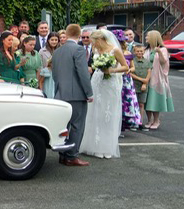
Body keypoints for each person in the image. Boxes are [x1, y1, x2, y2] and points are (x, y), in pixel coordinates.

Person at [80, 29, 128, 159]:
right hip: (96, 82)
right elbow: (95, 66)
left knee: (107, 114)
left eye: (94, 42)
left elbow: (125, 67)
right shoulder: (96, 51)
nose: (93, 45)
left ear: (101, 40)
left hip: (109, 83)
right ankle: (93, 146)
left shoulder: (115, 50)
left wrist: (111, 70)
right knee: (95, 113)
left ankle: (106, 147)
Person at [52, 24, 94, 166]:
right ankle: (71, 156)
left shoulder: (57, 51)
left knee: (64, 126)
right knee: (77, 126)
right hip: (76, 95)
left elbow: (55, 74)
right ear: (79, 34)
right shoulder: (78, 49)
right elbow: (83, 73)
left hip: (60, 93)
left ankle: (63, 154)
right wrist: (89, 92)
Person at [144, 30, 174, 130]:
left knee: (154, 100)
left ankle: (156, 120)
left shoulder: (163, 49)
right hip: (146, 78)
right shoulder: (146, 50)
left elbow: (163, 62)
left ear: (153, 37)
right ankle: (149, 120)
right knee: (146, 101)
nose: (146, 38)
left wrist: (159, 52)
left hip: (157, 79)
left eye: (147, 36)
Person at [113, 29, 141, 131]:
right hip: (116, 77)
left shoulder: (127, 52)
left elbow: (133, 67)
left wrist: (129, 70)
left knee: (127, 101)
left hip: (126, 80)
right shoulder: (114, 51)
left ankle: (126, 121)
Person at [131, 44, 151, 131]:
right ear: (134, 52)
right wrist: (141, 79)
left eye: (141, 51)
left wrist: (145, 83)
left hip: (143, 86)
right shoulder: (132, 61)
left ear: (144, 52)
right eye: (138, 51)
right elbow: (130, 73)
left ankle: (140, 122)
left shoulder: (147, 62)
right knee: (133, 104)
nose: (140, 53)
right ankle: (133, 122)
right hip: (134, 85)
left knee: (141, 104)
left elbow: (149, 72)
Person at [39, 32, 59, 98]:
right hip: (46, 75)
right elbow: (40, 65)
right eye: (52, 40)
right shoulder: (42, 51)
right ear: (48, 40)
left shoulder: (61, 50)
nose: (54, 42)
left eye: (56, 40)